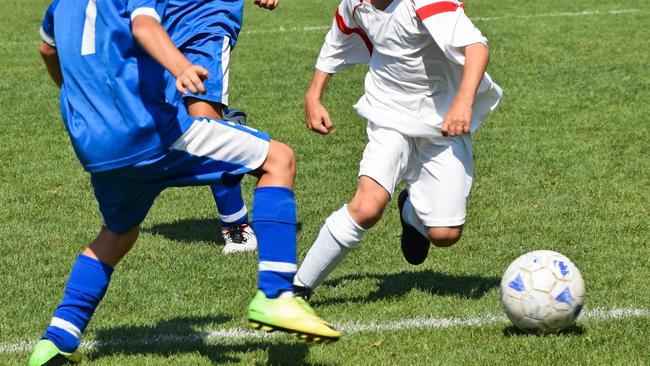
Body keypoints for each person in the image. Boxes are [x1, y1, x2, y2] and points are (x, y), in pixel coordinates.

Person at [29, 0, 339, 364]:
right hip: (150, 134)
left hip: (94, 146)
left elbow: (47, 49)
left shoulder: (59, 5)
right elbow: (144, 26)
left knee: (117, 234)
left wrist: (81, 101)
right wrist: (181, 66)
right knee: (279, 160)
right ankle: (275, 296)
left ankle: (54, 342)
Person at [292, 0, 503, 299]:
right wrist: (314, 94)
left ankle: (411, 210)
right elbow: (339, 35)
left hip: (442, 124)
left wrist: (463, 102)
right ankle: (296, 289)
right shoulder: (356, 3)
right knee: (367, 207)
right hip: (388, 115)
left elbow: (477, 47)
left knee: (445, 235)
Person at [162, 0, 278, 254]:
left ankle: (237, 228)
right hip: (158, 24)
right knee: (165, 130)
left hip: (207, 20)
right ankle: (233, 130)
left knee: (207, 129)